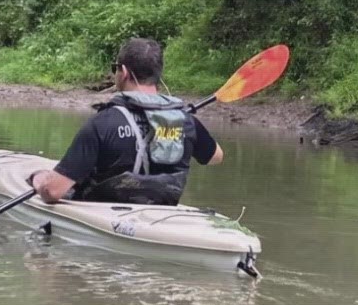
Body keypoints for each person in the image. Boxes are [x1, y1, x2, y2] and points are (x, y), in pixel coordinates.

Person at [29, 38, 224, 206]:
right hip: (159, 212)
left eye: (115, 68)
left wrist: (39, 180)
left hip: (102, 215)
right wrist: (175, 133)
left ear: (123, 72)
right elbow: (216, 156)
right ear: (157, 75)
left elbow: (53, 192)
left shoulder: (102, 124)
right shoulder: (184, 121)